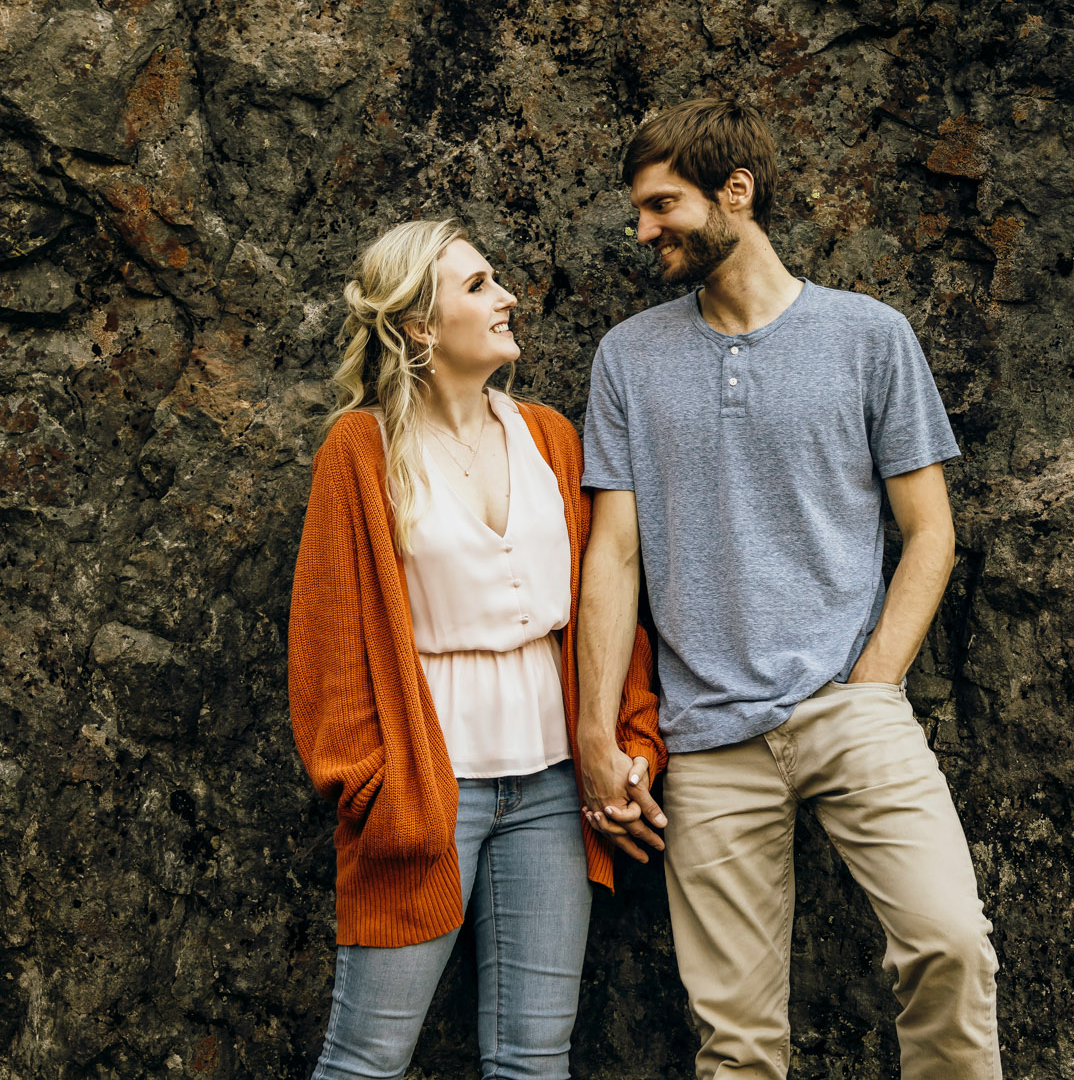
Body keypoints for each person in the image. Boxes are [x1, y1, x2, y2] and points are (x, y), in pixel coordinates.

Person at [573, 98, 1003, 1079]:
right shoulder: (625, 359)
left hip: (850, 711)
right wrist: (597, 740)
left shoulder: (867, 336)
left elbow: (930, 530)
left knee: (951, 945)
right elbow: (611, 557)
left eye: (660, 204)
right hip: (708, 738)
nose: (642, 230)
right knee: (736, 1048)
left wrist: (873, 679)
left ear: (736, 191)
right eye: (638, 209)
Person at [286, 219, 663, 1080]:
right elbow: (327, 640)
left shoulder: (550, 437)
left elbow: (605, 612)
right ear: (420, 325)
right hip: (424, 796)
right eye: (479, 285)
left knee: (534, 1063)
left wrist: (629, 745)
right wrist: (370, 790)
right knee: (365, 1061)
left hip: (554, 794)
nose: (507, 298)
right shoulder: (361, 448)